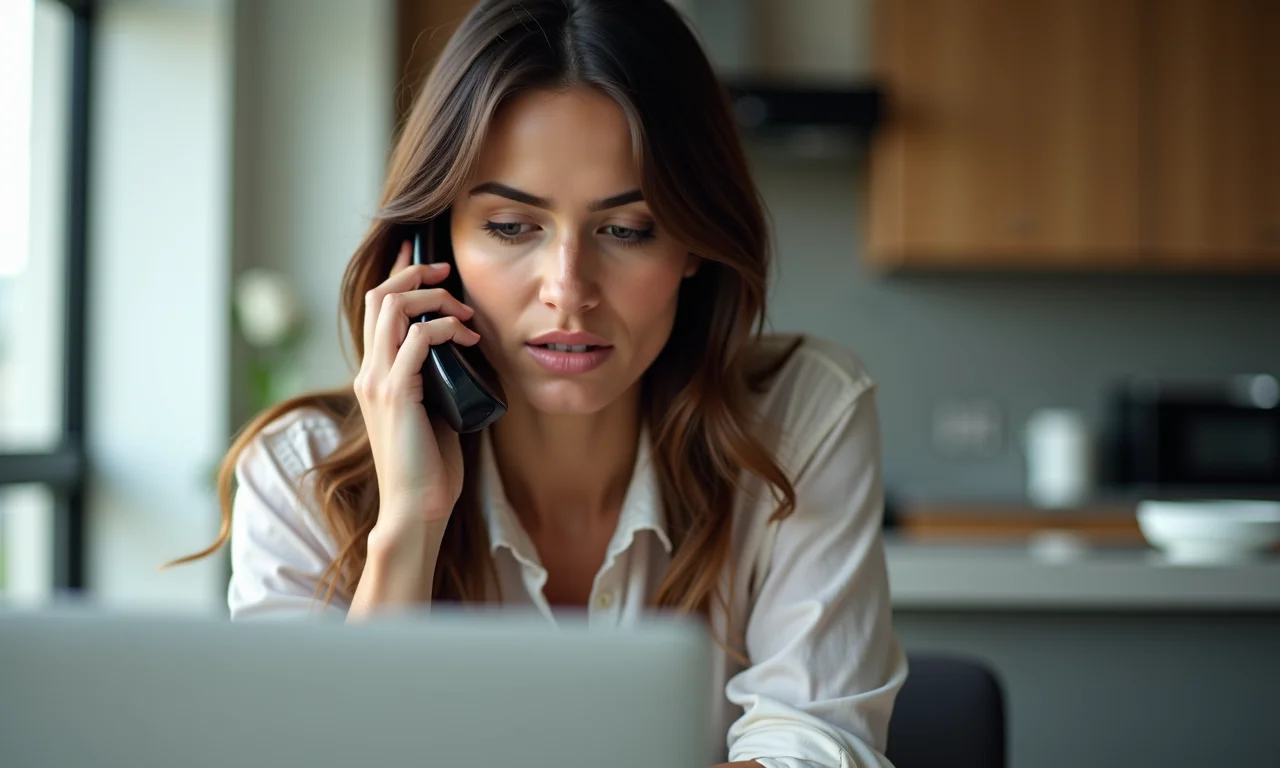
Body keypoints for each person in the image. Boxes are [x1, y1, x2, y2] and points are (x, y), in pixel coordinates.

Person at [174, 1, 907, 765]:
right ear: (431, 245)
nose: (569, 289)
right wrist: (408, 530)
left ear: (693, 243)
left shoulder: (803, 415)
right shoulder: (298, 474)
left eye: (627, 230)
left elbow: (817, 746)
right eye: (511, 226)